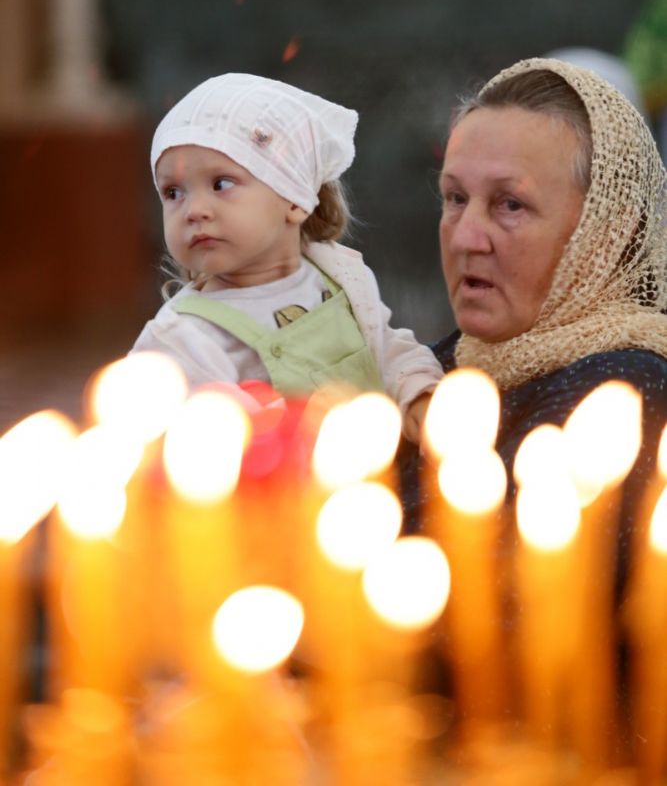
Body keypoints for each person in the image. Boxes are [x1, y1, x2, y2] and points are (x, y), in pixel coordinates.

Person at [131, 72, 443, 443]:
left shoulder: (338, 276)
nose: (194, 210)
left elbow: (388, 351)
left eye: (221, 184)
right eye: (173, 192)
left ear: (294, 198)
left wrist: (419, 394)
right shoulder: (180, 339)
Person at [433, 56, 667, 490]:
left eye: (511, 205)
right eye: (456, 197)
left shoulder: (623, 388)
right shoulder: (429, 364)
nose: (465, 238)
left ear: (606, 235)